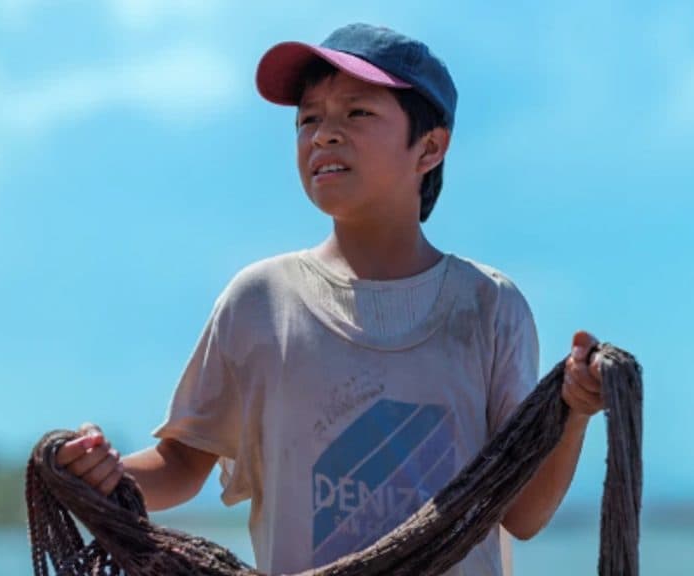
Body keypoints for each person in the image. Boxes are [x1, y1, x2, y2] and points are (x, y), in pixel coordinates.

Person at [55, 23, 604, 576]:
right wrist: (105, 476)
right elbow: (180, 464)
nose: (324, 135)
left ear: (430, 147)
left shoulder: (488, 307)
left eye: (357, 114)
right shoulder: (260, 302)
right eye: (308, 119)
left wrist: (574, 413)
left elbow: (523, 513)